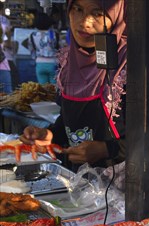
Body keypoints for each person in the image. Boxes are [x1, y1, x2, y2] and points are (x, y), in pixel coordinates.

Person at [20, 0, 127, 169]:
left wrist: (106, 150)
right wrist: (50, 135)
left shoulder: (130, 66)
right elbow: (69, 123)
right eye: (78, 9)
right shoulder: (68, 64)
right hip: (78, 186)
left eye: (98, 13)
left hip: (122, 189)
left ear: (116, 16)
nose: (85, 22)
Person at [27, 12, 59, 84]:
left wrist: (35, 58)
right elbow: (60, 47)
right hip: (53, 64)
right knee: (54, 90)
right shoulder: (54, 34)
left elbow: (31, 49)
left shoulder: (32, 35)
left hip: (40, 64)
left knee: (43, 90)